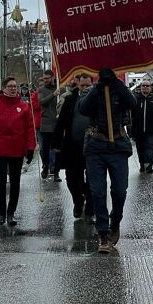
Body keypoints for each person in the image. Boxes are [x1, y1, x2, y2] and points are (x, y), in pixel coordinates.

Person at [79, 67, 137, 253]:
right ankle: (103, 233)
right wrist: (99, 86)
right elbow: (83, 108)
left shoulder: (120, 90)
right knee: (97, 191)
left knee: (119, 191)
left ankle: (115, 221)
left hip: (118, 145)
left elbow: (132, 102)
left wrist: (115, 82)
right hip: (96, 145)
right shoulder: (93, 90)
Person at [0, 76, 36, 226]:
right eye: (10, 86)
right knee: (0, 181)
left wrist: (31, 148)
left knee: (15, 182)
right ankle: (0, 213)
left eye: (14, 86)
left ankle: (11, 213)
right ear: (4, 88)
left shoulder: (23, 106)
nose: (13, 88)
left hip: (17, 150)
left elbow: (30, 129)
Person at [51, 73, 95, 219]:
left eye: (87, 85)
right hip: (72, 146)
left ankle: (90, 208)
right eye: (82, 85)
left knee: (92, 179)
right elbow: (61, 122)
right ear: (77, 85)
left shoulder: (98, 100)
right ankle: (78, 200)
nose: (84, 88)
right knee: (71, 178)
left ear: (92, 84)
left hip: (93, 147)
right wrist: (56, 143)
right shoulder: (70, 99)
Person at [132, 78, 153, 173]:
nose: (145, 87)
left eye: (147, 86)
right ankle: (142, 164)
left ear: (150, 87)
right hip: (138, 130)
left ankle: (148, 165)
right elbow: (131, 115)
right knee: (140, 148)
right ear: (140, 87)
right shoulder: (135, 99)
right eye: (143, 85)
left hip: (151, 129)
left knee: (149, 147)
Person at [37, 70, 63, 181]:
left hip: (57, 125)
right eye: (44, 78)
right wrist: (53, 95)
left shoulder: (60, 88)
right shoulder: (41, 90)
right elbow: (42, 102)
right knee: (44, 149)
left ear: (52, 77)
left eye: (47, 78)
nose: (45, 80)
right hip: (46, 125)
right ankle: (46, 166)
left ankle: (56, 171)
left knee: (57, 150)